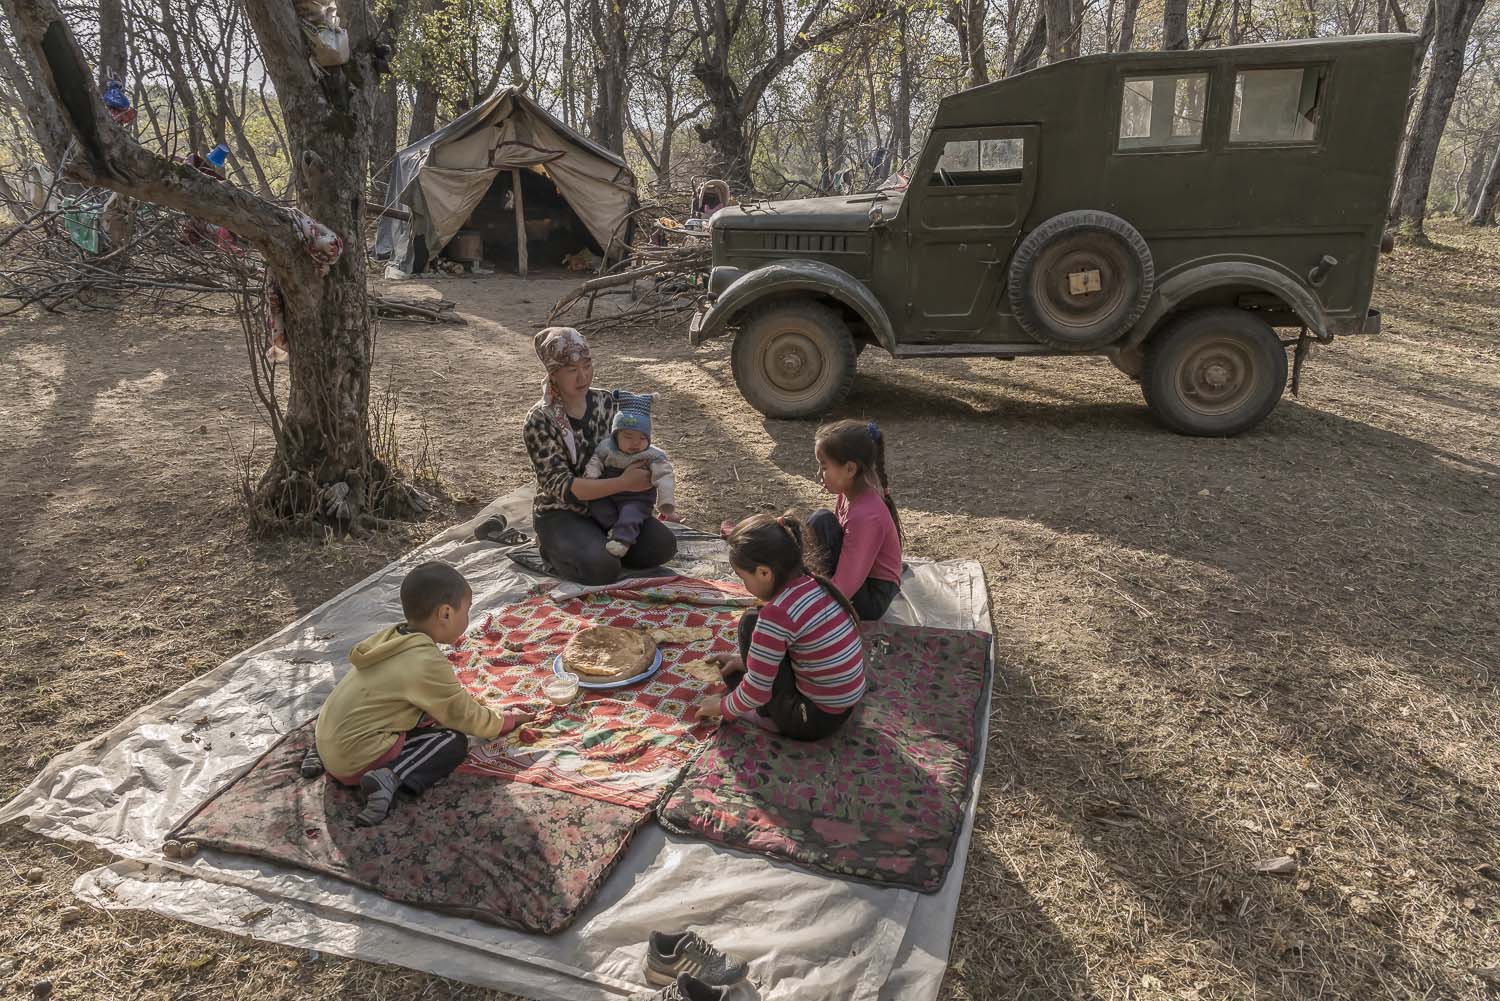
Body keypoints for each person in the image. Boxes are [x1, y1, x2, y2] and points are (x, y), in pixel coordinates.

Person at [305, 561, 532, 826]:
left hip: (328, 740)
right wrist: (506, 721)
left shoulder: (390, 639)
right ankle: (389, 776)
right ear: (446, 613)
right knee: (451, 740)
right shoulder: (424, 661)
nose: (468, 619)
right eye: (467, 611)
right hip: (354, 758)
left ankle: (321, 751)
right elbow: (465, 716)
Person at [523, 327, 678, 584]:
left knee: (663, 546)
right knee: (601, 569)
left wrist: (646, 476)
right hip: (562, 511)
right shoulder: (540, 420)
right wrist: (623, 483)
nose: (583, 376)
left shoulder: (606, 402)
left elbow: (632, 446)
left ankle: (599, 544)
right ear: (554, 374)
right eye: (572, 370)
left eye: (587, 365)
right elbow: (562, 487)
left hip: (613, 504)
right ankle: (553, 547)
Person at [696, 513, 865, 741]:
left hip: (811, 721)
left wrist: (719, 707)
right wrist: (743, 662)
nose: (744, 586)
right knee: (750, 650)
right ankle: (756, 681)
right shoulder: (814, 583)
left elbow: (756, 691)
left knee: (750, 623)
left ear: (764, 573)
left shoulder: (776, 614)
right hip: (843, 708)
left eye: (743, 578)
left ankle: (769, 717)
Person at [806, 419, 903, 621]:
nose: (819, 474)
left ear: (850, 469)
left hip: (872, 598)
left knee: (821, 520)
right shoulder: (848, 493)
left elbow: (846, 586)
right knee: (820, 522)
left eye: (824, 467)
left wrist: (809, 610)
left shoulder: (867, 515)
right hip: (861, 580)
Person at [583, 389, 678, 557]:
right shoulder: (606, 448)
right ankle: (607, 529)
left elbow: (665, 477)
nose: (635, 443)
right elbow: (595, 461)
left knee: (630, 514)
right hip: (608, 492)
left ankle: (622, 541)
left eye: (642, 438)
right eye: (628, 436)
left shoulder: (653, 455)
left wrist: (666, 501)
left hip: (637, 498)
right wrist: (591, 477)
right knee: (597, 506)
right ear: (615, 435)